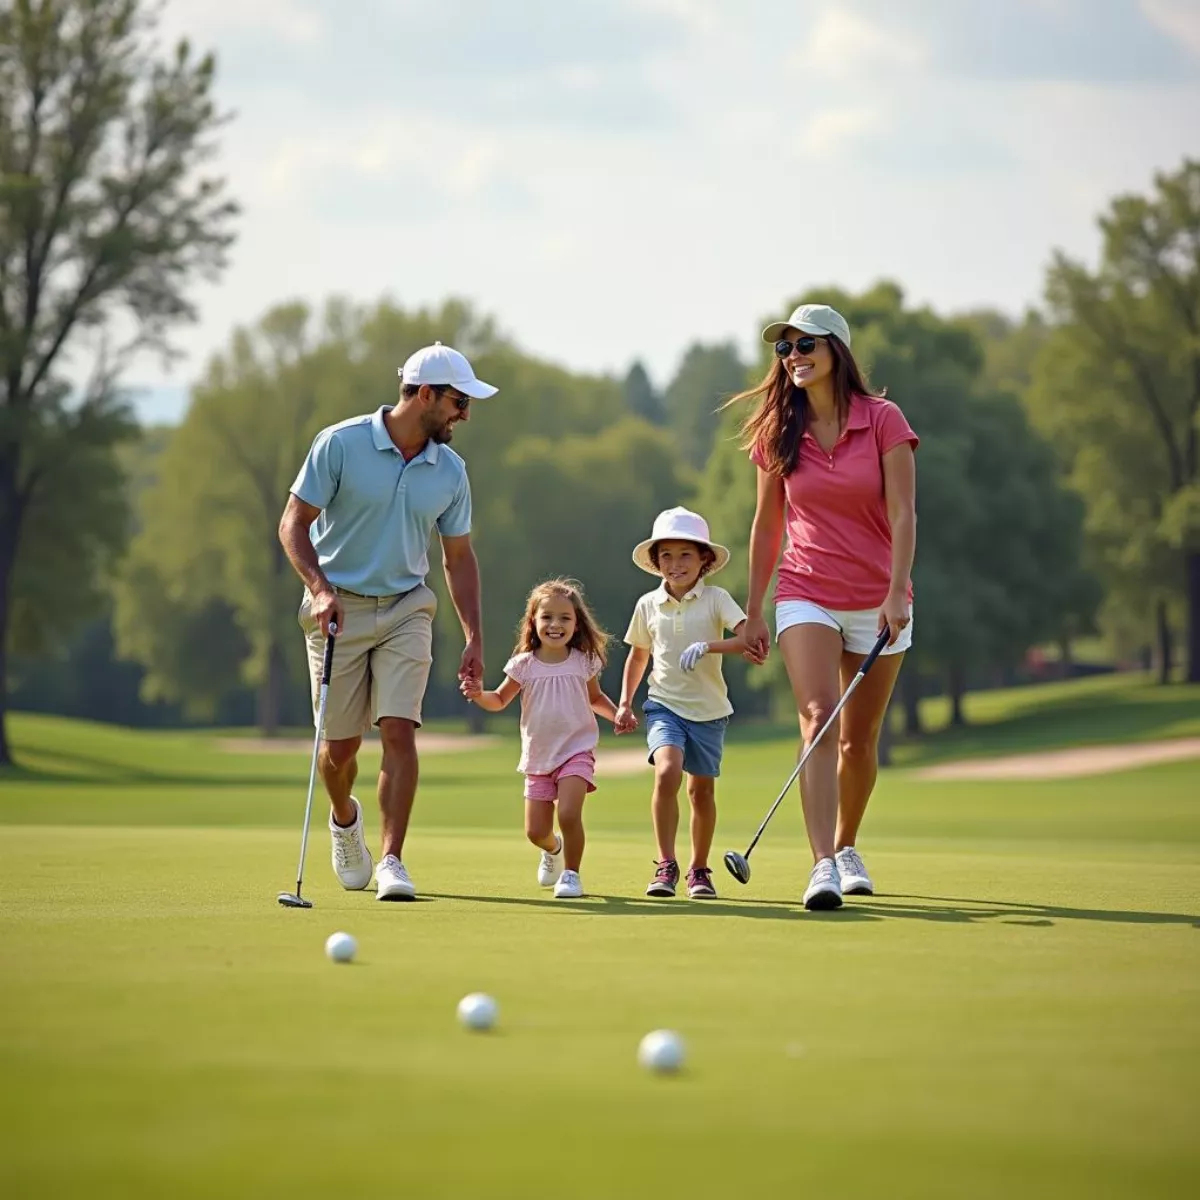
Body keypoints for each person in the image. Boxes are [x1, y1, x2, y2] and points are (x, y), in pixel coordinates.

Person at [278, 341, 497, 901]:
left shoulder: (451, 470)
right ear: (424, 394)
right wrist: (320, 590)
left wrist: (473, 635)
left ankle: (393, 860)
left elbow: (458, 557)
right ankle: (344, 819)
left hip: (407, 607)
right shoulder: (341, 444)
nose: (465, 415)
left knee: (399, 729)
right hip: (338, 610)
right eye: (458, 401)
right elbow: (293, 525)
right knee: (340, 752)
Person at [733, 303, 918, 911]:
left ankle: (846, 846)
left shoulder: (883, 420)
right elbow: (767, 527)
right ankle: (820, 868)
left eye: (805, 345)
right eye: (784, 349)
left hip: (878, 600)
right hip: (805, 589)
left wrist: (897, 590)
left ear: (837, 350)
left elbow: (902, 514)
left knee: (858, 743)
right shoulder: (777, 433)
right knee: (817, 716)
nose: (793, 358)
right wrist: (754, 610)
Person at [615, 507, 760, 900]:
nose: (675, 564)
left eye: (685, 555)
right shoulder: (648, 603)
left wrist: (709, 646)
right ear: (656, 561)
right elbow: (638, 655)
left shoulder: (716, 599)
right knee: (667, 772)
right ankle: (666, 864)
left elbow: (749, 639)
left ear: (704, 560)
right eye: (667, 556)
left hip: (710, 711)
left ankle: (699, 869)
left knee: (701, 793)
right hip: (663, 703)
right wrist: (625, 702)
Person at [461, 579, 622, 899]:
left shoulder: (582, 661)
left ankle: (571, 875)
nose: (555, 624)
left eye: (565, 618)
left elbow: (595, 697)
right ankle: (554, 849)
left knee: (569, 814)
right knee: (536, 832)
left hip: (576, 750)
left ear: (577, 625)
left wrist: (617, 714)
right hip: (538, 756)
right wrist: (479, 695)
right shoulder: (524, 664)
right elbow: (499, 700)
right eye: (547, 617)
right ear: (533, 621)